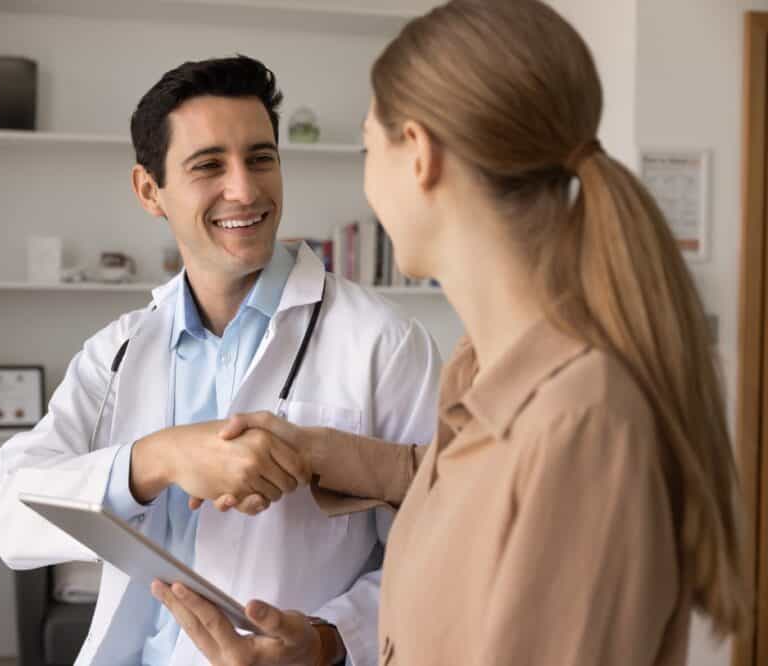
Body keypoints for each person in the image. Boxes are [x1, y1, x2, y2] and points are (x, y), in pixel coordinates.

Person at [150, 2, 748, 665]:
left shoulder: (581, 422)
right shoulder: (484, 372)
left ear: (420, 156)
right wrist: (308, 451)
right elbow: (446, 482)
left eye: (368, 145)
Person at [0, 55, 442, 666]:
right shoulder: (116, 351)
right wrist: (160, 457)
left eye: (261, 158)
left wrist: (329, 640)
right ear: (150, 192)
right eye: (208, 165)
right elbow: (9, 511)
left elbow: (444, 549)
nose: (245, 189)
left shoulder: (382, 342)